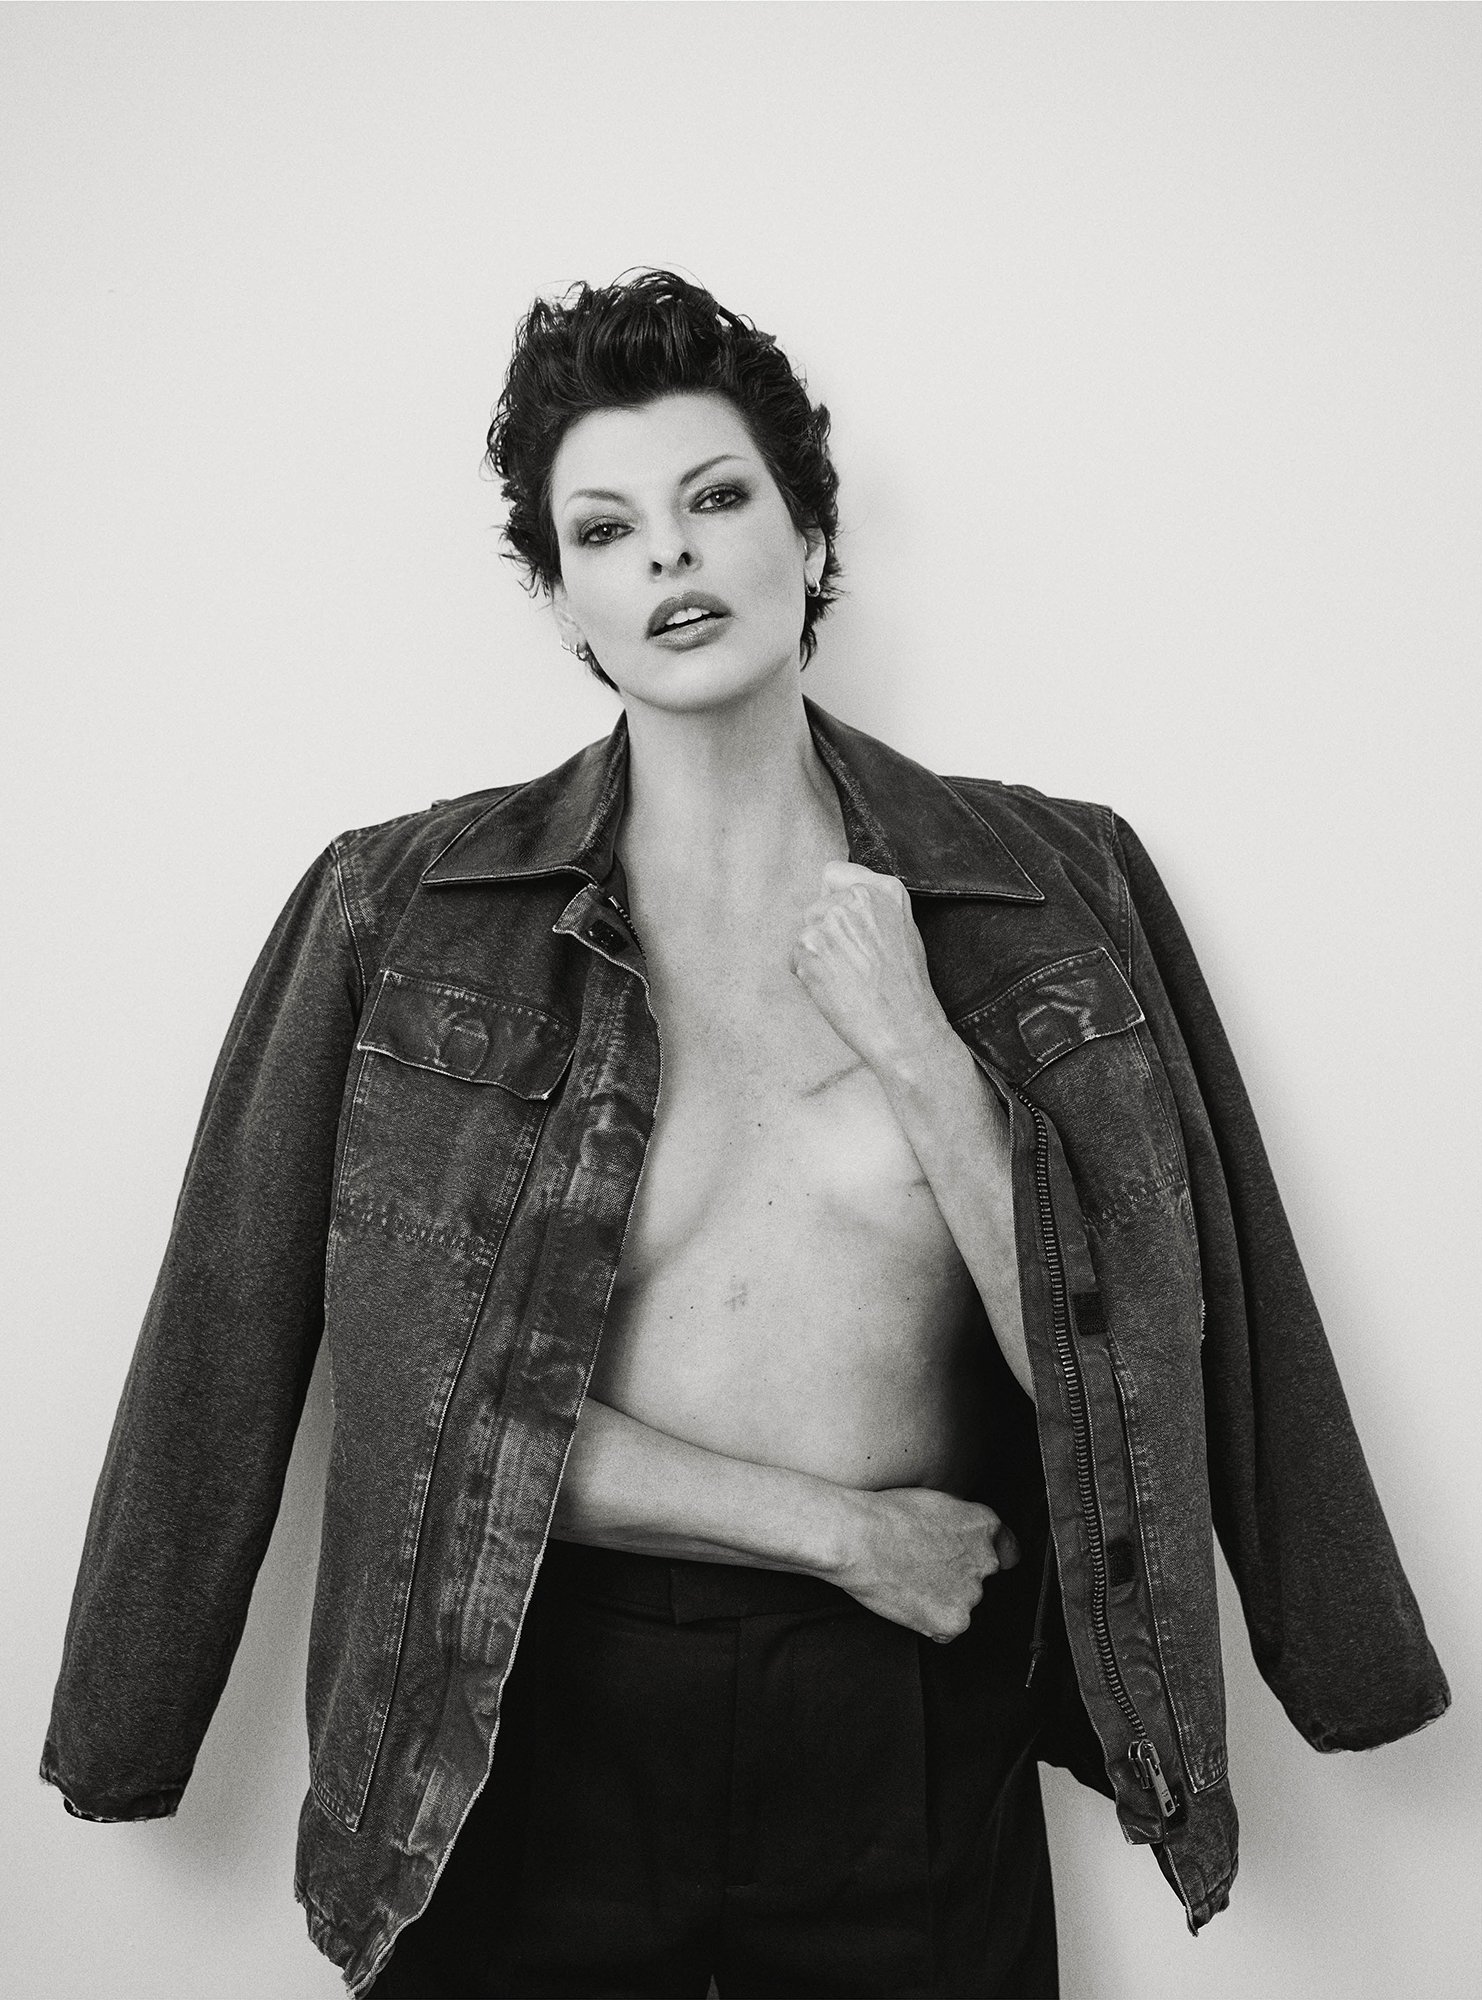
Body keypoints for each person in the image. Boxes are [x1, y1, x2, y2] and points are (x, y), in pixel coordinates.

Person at [41, 272, 1448, 1999]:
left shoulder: (1050, 885)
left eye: (715, 499)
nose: (669, 556)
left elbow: (1143, 1358)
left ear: (809, 535)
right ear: (564, 601)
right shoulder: (400, 913)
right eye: (604, 530)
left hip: (906, 1719)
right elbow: (293, 1352)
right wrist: (834, 1528)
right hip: (511, 1706)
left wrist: (919, 1048)